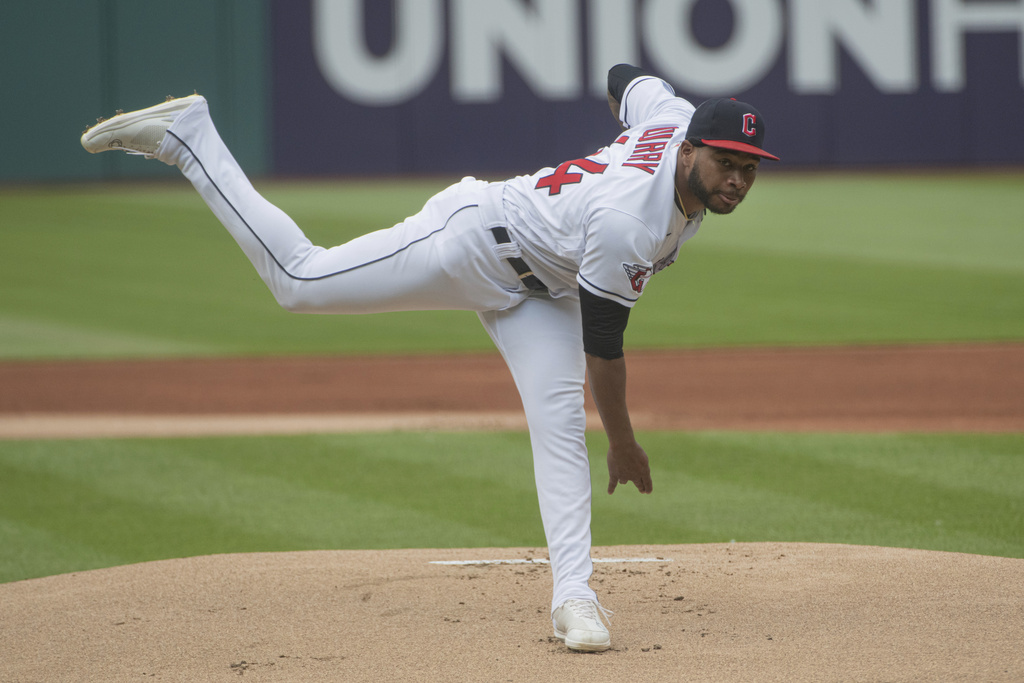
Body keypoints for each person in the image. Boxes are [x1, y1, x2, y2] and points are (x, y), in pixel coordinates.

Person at [81, 64, 778, 652]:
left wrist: (631, 132)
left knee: (559, 424)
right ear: (689, 151)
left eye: (748, 169)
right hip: (474, 241)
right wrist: (624, 441)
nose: (737, 181)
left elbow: (625, 79)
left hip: (544, 287)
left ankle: (576, 599)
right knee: (299, 281)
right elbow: (605, 348)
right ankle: (189, 137)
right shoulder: (632, 219)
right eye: (725, 162)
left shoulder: (671, 116)